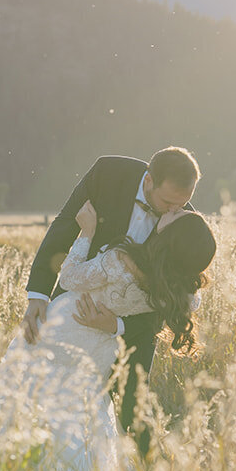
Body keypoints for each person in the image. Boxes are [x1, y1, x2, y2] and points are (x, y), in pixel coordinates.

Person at [0, 192, 216, 471]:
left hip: (61, 332)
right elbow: (184, 305)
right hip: (98, 349)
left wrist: (86, 233)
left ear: (172, 235)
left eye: (178, 215)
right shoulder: (178, 291)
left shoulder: (122, 260)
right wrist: (118, 325)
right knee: (79, 411)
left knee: (26, 396)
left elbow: (70, 278)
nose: (176, 209)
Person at [23, 147, 203, 436]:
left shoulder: (182, 221)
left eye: (182, 204)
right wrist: (38, 295)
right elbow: (65, 225)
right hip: (76, 311)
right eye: (168, 201)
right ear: (148, 182)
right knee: (45, 391)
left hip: (136, 328)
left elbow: (172, 297)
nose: (174, 211)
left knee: (133, 412)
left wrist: (118, 325)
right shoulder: (107, 173)